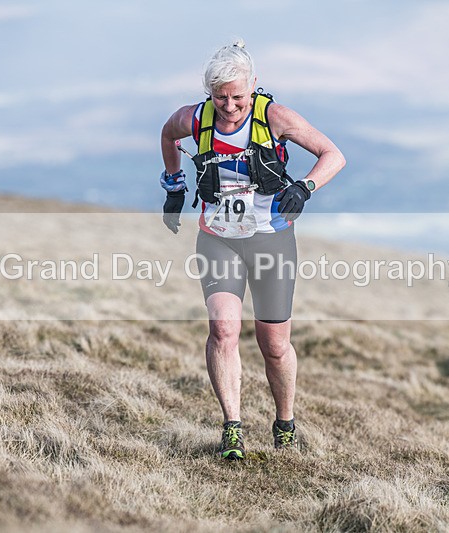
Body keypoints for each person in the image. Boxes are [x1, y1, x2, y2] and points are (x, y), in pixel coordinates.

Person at [159, 40, 345, 460]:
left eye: (238, 97)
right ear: (210, 93)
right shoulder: (197, 118)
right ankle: (232, 430)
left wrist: (305, 186)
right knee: (223, 329)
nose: (228, 106)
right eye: (220, 97)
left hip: (271, 238)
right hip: (218, 236)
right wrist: (174, 186)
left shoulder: (273, 117)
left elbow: (333, 155)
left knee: (273, 344)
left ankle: (284, 423)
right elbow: (168, 133)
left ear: (254, 87)